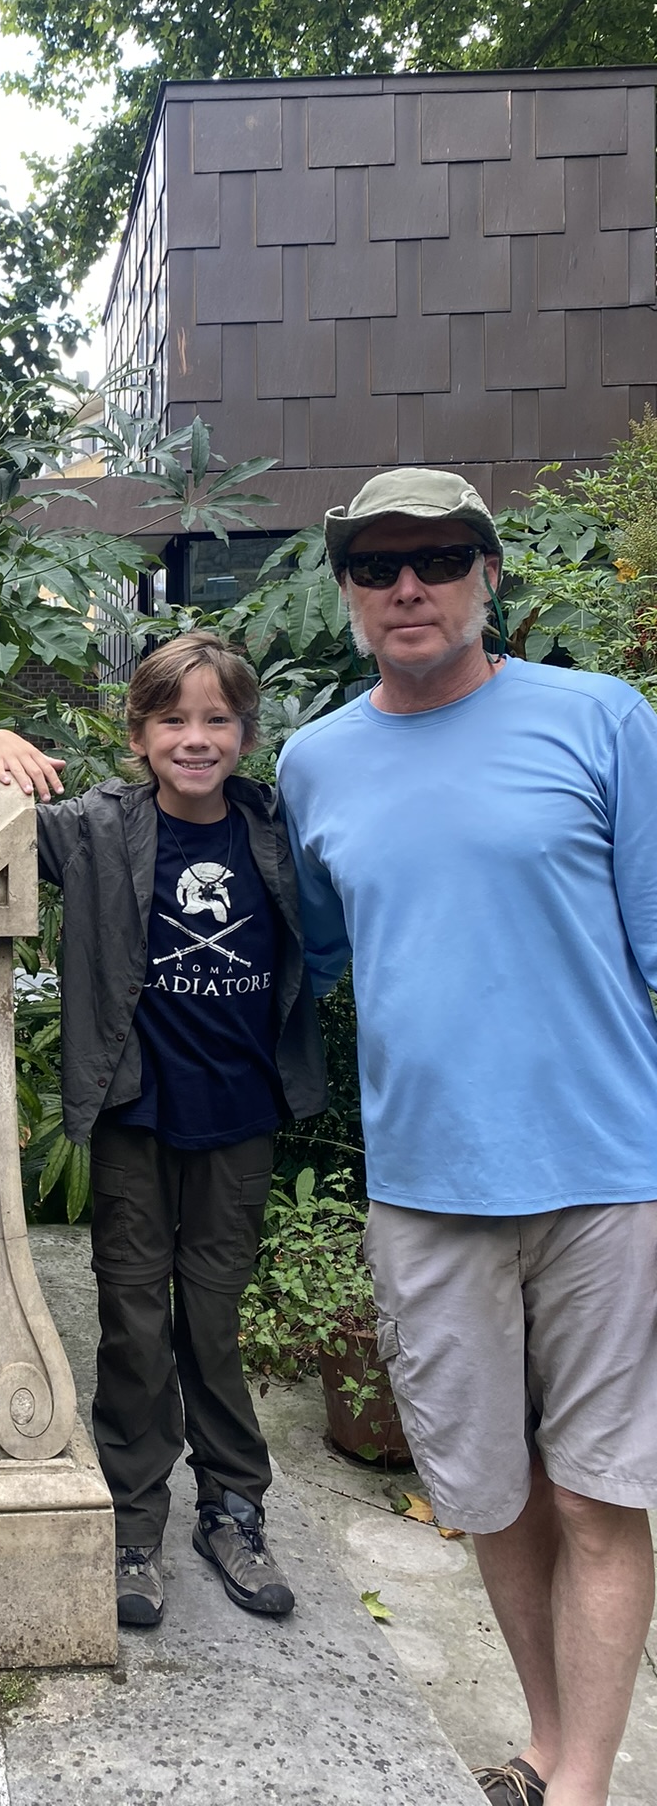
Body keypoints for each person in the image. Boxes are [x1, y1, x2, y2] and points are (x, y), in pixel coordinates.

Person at [276, 467, 657, 1806]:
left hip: (607, 1175)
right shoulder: (314, 761)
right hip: (426, 1187)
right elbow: (319, 948)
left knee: (602, 1493)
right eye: (377, 564)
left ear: (488, 575)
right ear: (347, 589)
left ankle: (583, 1783)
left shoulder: (602, 719)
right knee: (489, 1494)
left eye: (439, 558)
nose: (408, 585)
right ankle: (546, 1741)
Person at [0, 631, 327, 1628]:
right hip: (135, 1114)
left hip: (239, 1117)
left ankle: (233, 1508)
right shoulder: (95, 829)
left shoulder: (277, 828)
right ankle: (132, 1518)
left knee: (213, 1321)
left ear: (246, 733)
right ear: (140, 733)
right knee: (135, 1322)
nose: (196, 738)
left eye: (216, 719)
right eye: (173, 719)